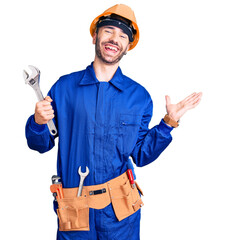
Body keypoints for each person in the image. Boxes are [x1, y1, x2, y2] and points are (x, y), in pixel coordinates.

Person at [25, 4, 202, 240]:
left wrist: (169, 122)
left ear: (128, 46)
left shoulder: (139, 97)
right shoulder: (64, 88)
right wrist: (37, 122)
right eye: (108, 31)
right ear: (95, 36)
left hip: (120, 213)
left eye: (122, 36)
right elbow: (40, 144)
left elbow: (141, 155)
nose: (114, 39)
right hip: (75, 210)